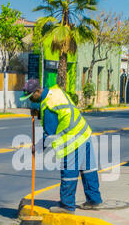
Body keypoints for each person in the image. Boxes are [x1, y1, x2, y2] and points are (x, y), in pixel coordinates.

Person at [20, 79, 103, 214]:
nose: (30, 100)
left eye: (31, 97)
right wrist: (39, 113)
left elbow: (50, 134)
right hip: (84, 133)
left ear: (37, 91)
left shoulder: (47, 107)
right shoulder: (56, 91)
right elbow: (62, 111)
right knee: (88, 169)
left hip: (72, 140)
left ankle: (67, 206)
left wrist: (37, 147)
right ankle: (94, 200)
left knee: (69, 173)